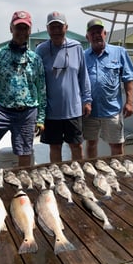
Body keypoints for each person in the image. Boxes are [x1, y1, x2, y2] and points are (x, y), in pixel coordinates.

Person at [0, 10, 46, 173]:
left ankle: (22, 185)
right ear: (11, 29)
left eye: (25, 28)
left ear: (30, 31)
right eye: (18, 28)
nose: (21, 32)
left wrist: (41, 119)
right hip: (1, 111)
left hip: (27, 113)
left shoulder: (35, 59)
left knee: (24, 154)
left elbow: (42, 90)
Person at [35, 11, 92, 163]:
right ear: (47, 29)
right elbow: (36, 81)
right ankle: (58, 179)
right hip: (51, 111)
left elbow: (83, 75)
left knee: (76, 146)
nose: (56, 31)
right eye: (52, 27)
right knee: (55, 147)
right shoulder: (41, 50)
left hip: (73, 109)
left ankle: (79, 176)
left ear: (66, 27)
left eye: (59, 27)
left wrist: (87, 100)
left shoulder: (77, 47)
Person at [83, 18, 133, 158]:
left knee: (117, 145)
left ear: (105, 33)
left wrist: (130, 102)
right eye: (93, 32)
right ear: (87, 37)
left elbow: (128, 78)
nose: (97, 35)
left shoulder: (119, 52)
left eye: (99, 32)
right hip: (89, 112)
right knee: (91, 143)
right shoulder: (82, 56)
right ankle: (92, 173)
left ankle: (117, 173)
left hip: (112, 110)